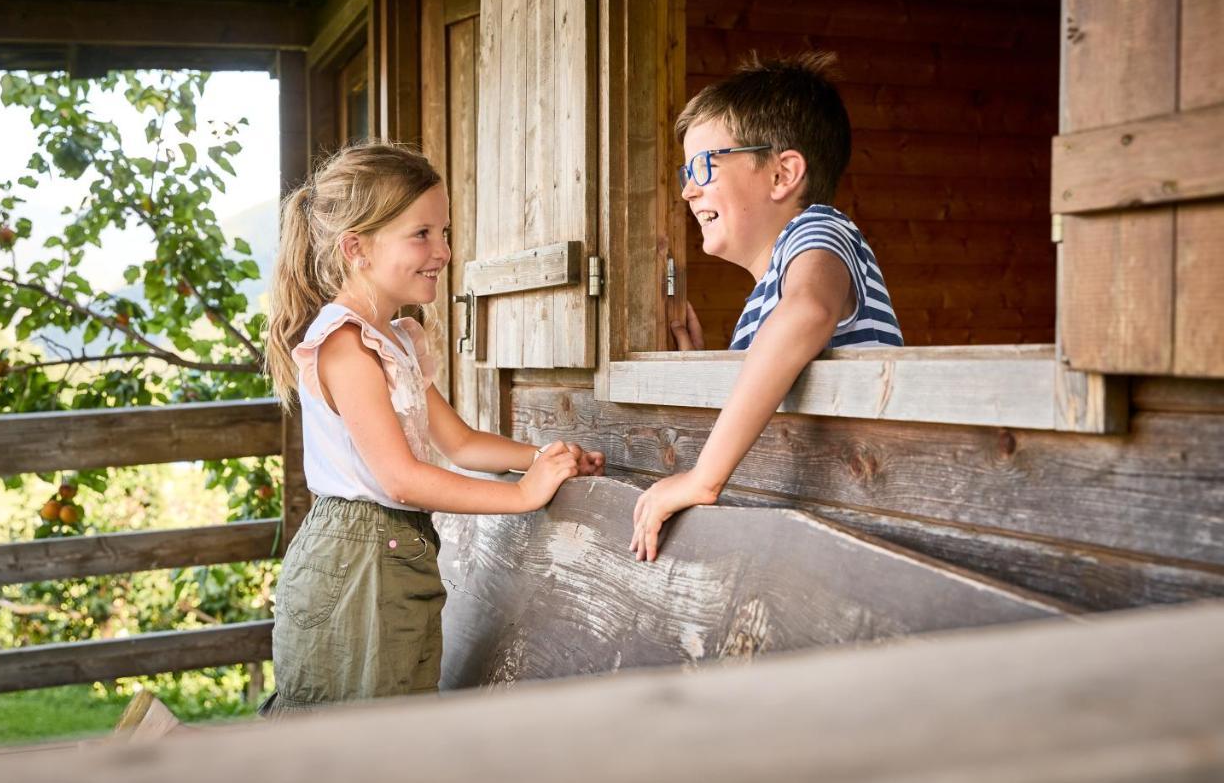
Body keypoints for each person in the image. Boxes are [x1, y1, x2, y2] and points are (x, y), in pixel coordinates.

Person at [261, 142, 604, 713]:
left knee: (402, 732)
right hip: (357, 564)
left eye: (443, 232)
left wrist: (544, 457)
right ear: (357, 248)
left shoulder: (396, 339)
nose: (442, 251)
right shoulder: (345, 346)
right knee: (360, 745)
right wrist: (522, 495)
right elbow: (400, 478)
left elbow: (460, 441)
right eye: (421, 234)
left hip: (393, 554)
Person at [631, 52, 902, 561]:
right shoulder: (768, 291)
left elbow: (808, 313)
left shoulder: (820, 226)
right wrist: (709, 367)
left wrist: (702, 479)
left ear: (782, 175)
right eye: (686, 171)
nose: (688, 189)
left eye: (705, 166)